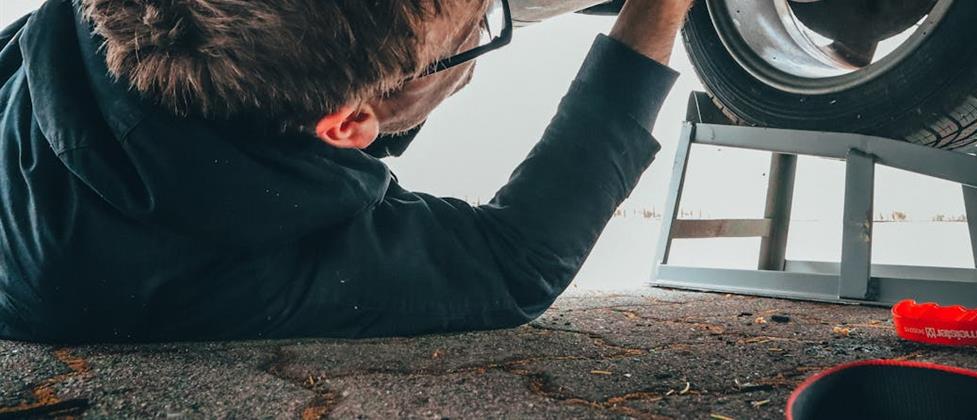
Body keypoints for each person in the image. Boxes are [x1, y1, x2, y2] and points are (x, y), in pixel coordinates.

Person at [0, 0, 692, 343]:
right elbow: (516, 263)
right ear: (346, 125)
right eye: (479, 25)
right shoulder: (239, 259)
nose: (483, 21)